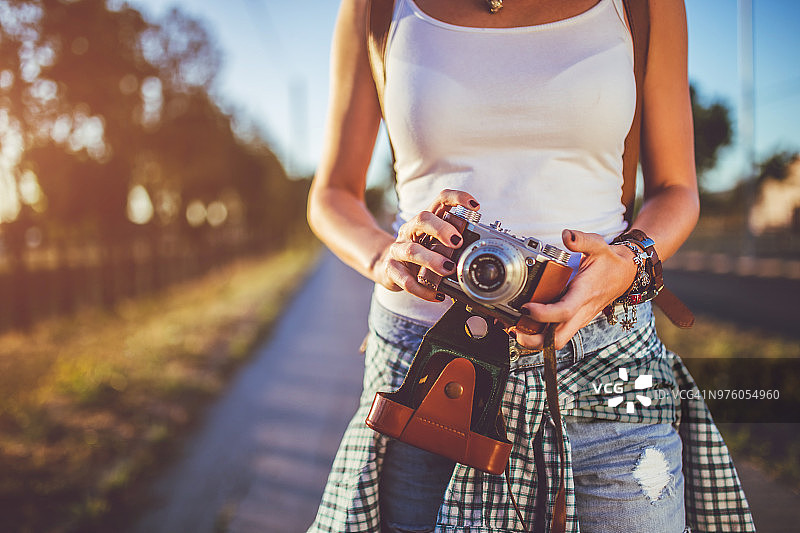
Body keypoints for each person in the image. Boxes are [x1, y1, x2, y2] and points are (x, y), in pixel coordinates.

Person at [306, 0, 755, 532]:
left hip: (607, 362)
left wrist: (626, 262)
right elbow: (331, 193)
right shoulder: (375, 7)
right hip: (424, 366)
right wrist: (384, 255)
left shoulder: (648, 6)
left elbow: (677, 190)